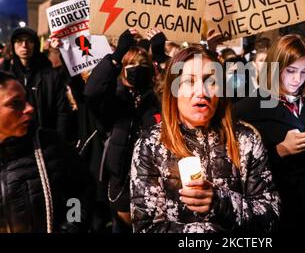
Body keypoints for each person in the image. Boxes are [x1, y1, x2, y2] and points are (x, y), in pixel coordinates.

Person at [130, 45, 280, 233]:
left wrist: (221, 202)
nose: (202, 91)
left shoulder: (245, 139)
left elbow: (271, 217)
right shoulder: (151, 144)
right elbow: (145, 226)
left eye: (211, 81)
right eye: (189, 82)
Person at [235, 34, 305, 232]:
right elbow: (238, 170)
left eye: (304, 71)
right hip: (277, 204)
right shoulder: (247, 110)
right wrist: (281, 150)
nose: (298, 79)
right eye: (290, 71)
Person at [84, 29, 160, 232]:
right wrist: (117, 55)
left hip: (154, 184)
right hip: (120, 185)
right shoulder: (112, 99)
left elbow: (177, 87)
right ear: (123, 68)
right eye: (131, 64)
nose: (138, 68)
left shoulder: (156, 99)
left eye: (143, 65)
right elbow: (91, 90)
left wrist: (161, 57)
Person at [0, 71, 94, 233]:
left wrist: (72, 227)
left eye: (26, 99)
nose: (29, 108)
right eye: (16, 103)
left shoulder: (50, 145)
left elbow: (80, 194)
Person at [0, 27, 71, 138]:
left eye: (30, 41)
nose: (24, 45)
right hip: (14, 138)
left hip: (46, 138)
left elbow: (62, 111)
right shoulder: (5, 77)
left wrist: (59, 140)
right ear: (13, 45)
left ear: (36, 45)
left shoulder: (50, 75)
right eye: (19, 41)